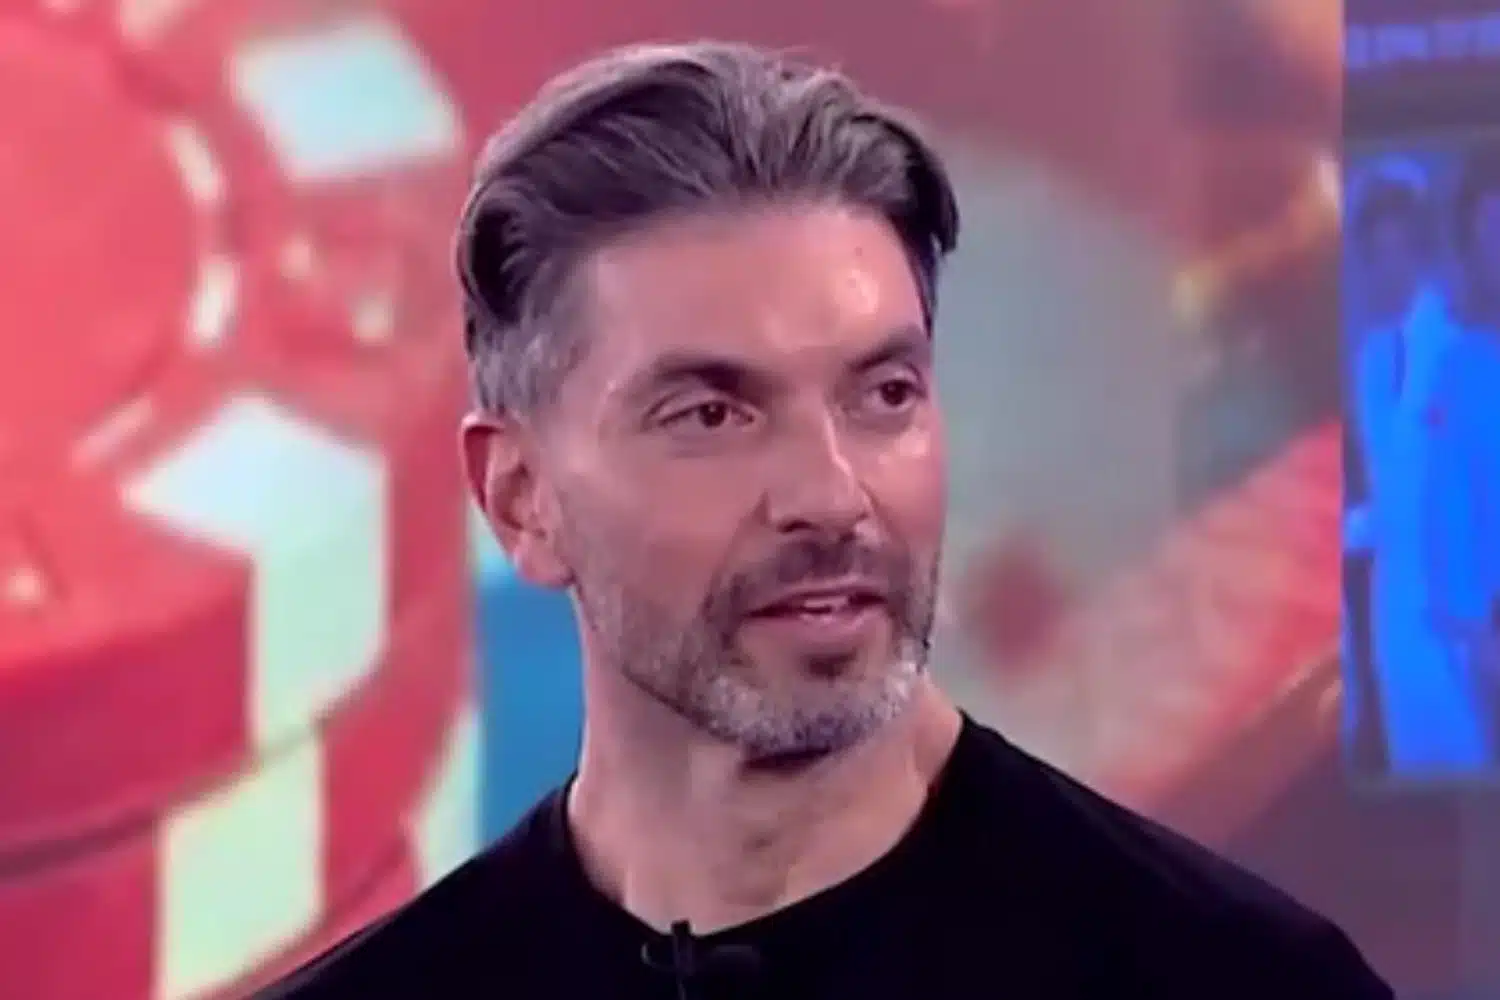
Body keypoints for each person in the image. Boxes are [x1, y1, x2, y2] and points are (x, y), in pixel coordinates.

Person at [258, 41, 1391, 998]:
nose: (832, 494)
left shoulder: (1237, 980)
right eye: (712, 413)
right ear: (520, 498)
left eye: (883, 395)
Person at [1345, 161, 1500, 777]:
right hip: (1394, 621)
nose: (1390, 268)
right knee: (1416, 773)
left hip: (1462, 618)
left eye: (1400, 248)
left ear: (1424, 248)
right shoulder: (1370, 358)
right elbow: (1387, 498)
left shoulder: (1461, 343)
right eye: (1376, 253)